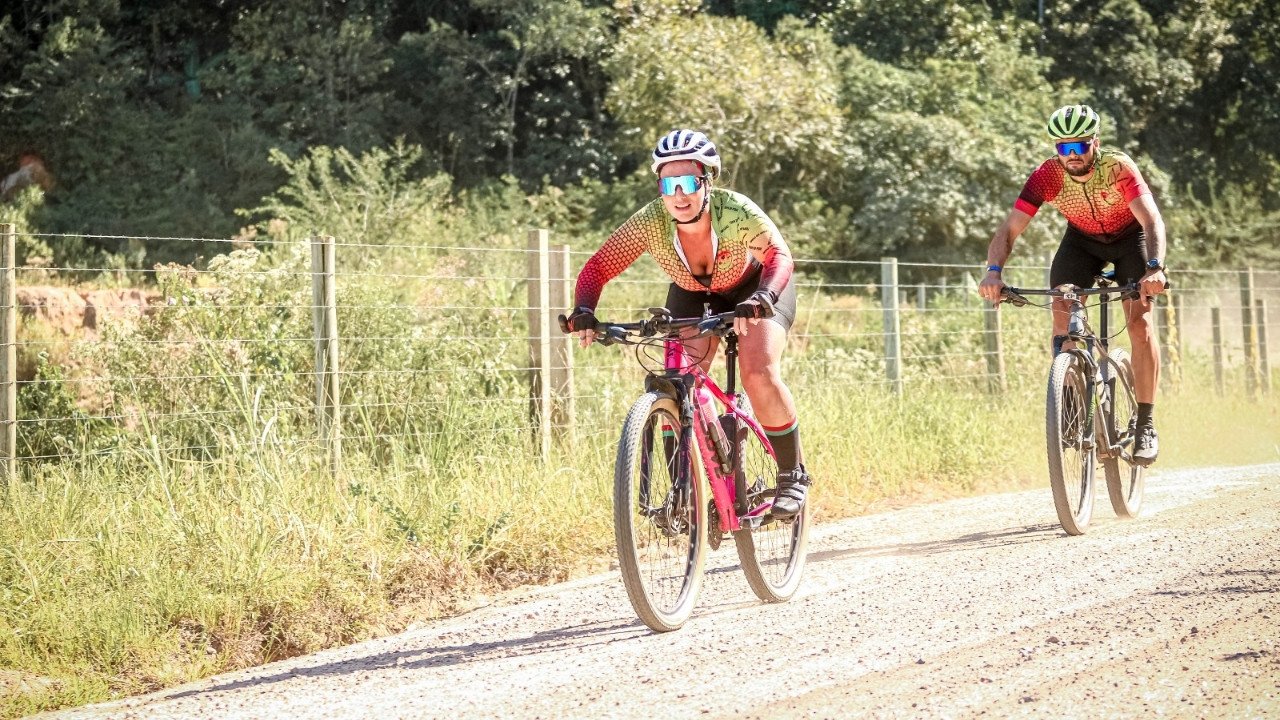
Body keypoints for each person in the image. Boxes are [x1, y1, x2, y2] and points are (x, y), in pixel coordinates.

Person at [564, 129, 811, 516]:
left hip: (755, 288)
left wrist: (763, 298)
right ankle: (687, 489)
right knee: (677, 382)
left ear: (706, 182)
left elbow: (779, 256)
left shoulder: (735, 211)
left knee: (758, 371)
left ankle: (791, 474)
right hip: (693, 291)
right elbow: (598, 267)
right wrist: (584, 310)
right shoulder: (651, 221)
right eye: (668, 183)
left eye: (687, 182)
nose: (678, 194)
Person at [978, 104, 1168, 465]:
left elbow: (1151, 219)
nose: (1072, 155)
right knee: (1062, 315)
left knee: (1139, 323)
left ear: (1094, 142)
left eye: (1079, 146)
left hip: (1130, 240)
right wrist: (993, 272)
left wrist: (1155, 268)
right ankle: (1068, 401)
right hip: (1081, 242)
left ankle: (1145, 423)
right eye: (1064, 148)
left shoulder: (1118, 167)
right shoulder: (1046, 176)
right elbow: (1009, 229)